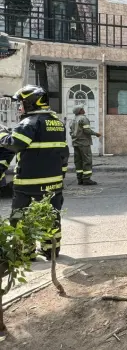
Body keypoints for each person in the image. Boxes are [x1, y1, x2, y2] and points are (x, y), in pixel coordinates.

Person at [0, 85, 68, 260]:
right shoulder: (57, 123)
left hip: (28, 184)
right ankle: (51, 251)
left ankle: (26, 253)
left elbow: (14, 144)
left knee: (21, 218)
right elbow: (63, 153)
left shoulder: (30, 122)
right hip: (54, 184)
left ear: (31, 103)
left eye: (21, 103)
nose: (20, 107)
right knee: (50, 217)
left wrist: (1, 134)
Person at [70, 106, 101, 185]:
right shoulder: (83, 119)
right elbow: (87, 130)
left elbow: (71, 132)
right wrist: (95, 134)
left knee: (78, 161)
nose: (84, 110)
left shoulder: (73, 120)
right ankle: (86, 179)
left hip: (76, 143)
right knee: (87, 160)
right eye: (82, 109)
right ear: (80, 111)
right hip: (84, 143)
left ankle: (80, 179)